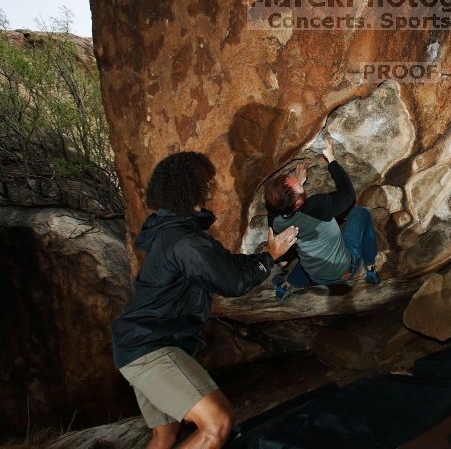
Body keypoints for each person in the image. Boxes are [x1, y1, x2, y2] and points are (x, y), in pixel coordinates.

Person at [111, 152, 298, 449]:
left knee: (165, 434)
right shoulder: (185, 241)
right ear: (191, 187)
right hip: (151, 347)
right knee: (216, 424)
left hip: (136, 343)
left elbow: (224, 265)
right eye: (206, 180)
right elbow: (232, 282)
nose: (212, 184)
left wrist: (264, 255)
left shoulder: (173, 232)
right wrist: (270, 258)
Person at [264, 137, 381, 300]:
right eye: (297, 184)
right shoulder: (316, 207)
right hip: (344, 271)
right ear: (298, 201)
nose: (298, 180)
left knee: (307, 253)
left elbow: (286, 204)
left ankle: (288, 284)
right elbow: (348, 193)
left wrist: (298, 184)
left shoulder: (274, 219)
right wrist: (331, 159)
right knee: (361, 213)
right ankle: (370, 267)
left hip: (314, 275)